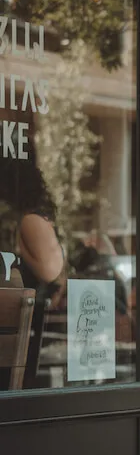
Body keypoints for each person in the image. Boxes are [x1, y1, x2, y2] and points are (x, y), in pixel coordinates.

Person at [0, 157, 64, 389]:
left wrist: (20, 250)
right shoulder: (29, 220)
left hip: (31, 324)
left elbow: (49, 272)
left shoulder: (30, 221)